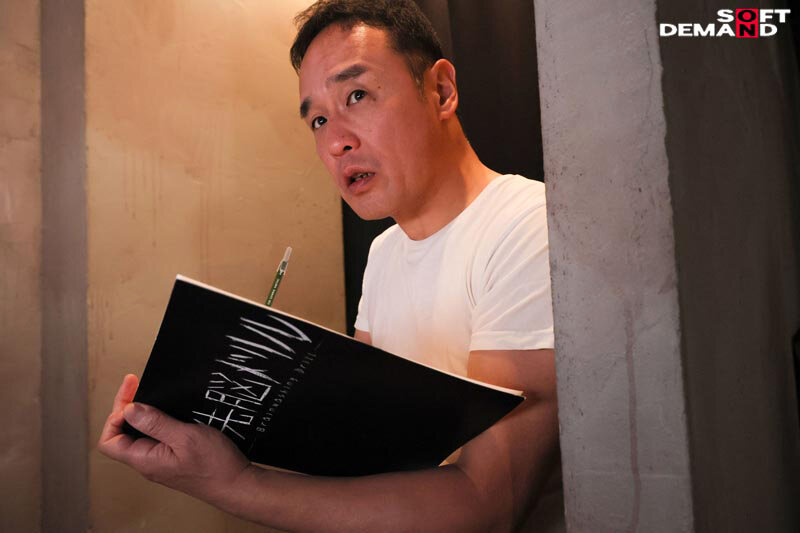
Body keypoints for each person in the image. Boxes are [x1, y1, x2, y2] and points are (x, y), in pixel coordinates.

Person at [98, 1, 561, 531]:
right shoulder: (384, 254)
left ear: (440, 90)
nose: (336, 141)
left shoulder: (529, 226)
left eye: (356, 96)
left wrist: (234, 483)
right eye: (318, 119)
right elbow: (369, 449)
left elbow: (488, 503)